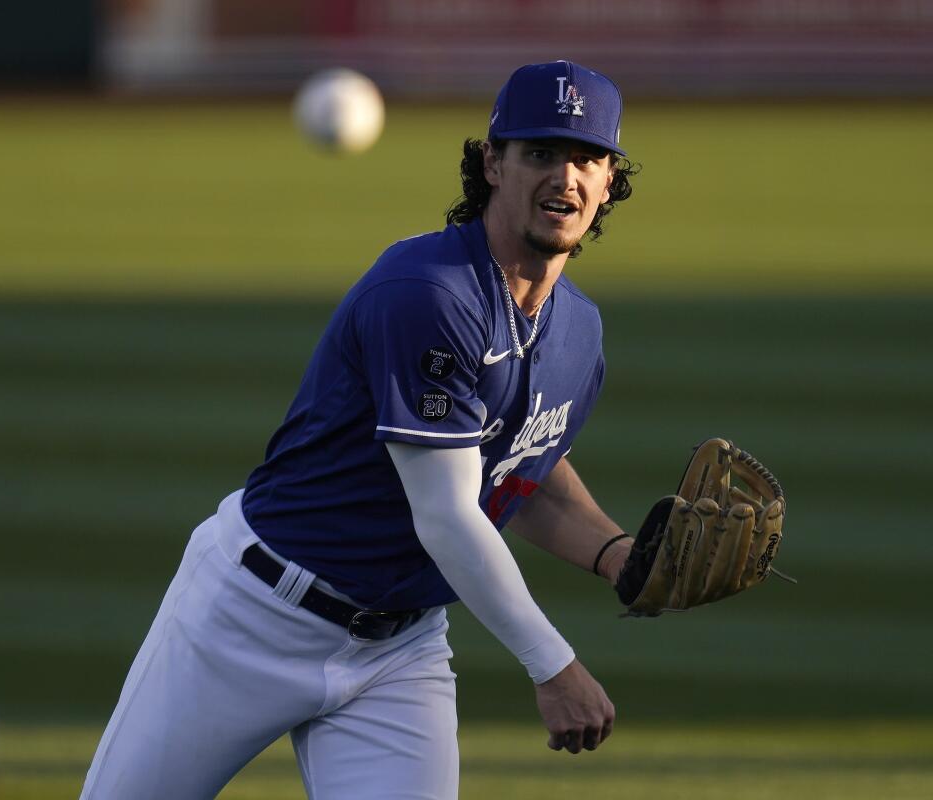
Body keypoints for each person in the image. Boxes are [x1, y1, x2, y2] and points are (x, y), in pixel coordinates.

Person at [80, 60, 641, 800]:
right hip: (250, 619)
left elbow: (519, 473)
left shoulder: (579, 333)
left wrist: (620, 558)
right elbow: (445, 513)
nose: (563, 178)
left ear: (609, 180)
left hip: (398, 652)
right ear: (492, 164)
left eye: (585, 158)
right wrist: (553, 664)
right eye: (539, 153)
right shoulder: (429, 291)